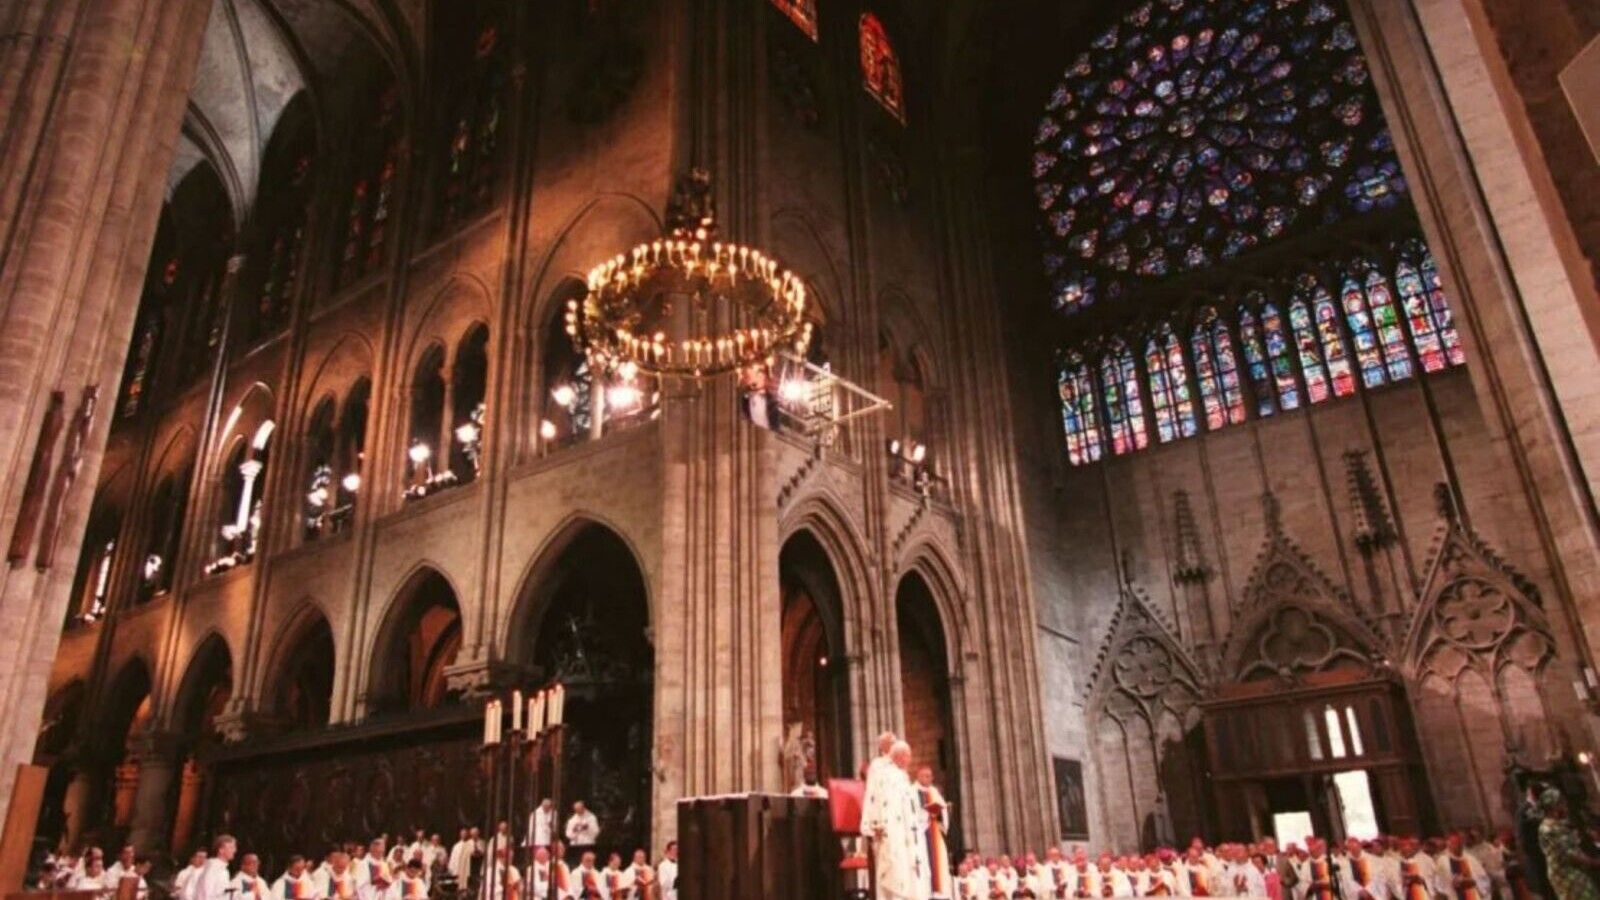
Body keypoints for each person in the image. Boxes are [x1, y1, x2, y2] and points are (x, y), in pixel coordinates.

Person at [861, 740, 926, 900]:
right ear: (899, 756)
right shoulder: (884, 773)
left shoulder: (902, 776)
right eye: (907, 755)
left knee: (908, 875)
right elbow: (876, 799)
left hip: (907, 836)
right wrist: (874, 824)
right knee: (893, 876)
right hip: (892, 834)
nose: (910, 759)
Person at [1537, 788, 1600, 900]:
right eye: (1561, 803)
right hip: (1565, 873)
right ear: (1553, 806)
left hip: (1574, 869)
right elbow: (1570, 853)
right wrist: (1594, 862)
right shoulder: (1549, 828)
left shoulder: (1559, 824)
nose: (1565, 806)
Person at [914, 765, 954, 899]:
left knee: (939, 864)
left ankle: (938, 894)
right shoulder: (912, 792)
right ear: (918, 776)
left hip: (935, 832)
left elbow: (943, 813)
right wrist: (925, 815)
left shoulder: (934, 792)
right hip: (920, 834)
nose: (929, 778)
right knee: (924, 864)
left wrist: (941, 812)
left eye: (930, 776)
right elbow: (911, 813)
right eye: (926, 776)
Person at [196, 836, 238, 900]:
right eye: (231, 847)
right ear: (221, 850)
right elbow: (206, 894)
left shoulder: (223, 869)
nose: (235, 850)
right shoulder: (213, 868)